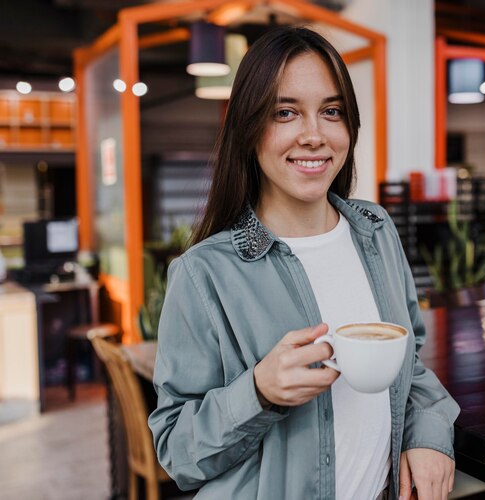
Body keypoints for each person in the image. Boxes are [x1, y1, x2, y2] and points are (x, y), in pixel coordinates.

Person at [148, 26, 460, 500]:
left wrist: (429, 435)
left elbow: (409, 361)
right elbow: (176, 451)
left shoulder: (375, 230)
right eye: (285, 112)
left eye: (331, 112)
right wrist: (258, 391)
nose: (313, 136)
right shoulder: (204, 272)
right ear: (249, 129)